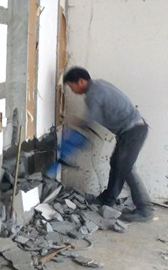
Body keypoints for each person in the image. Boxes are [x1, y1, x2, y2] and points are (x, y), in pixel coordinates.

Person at [61, 66, 154, 222]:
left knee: (126, 169)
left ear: (81, 81)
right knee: (117, 164)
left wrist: (74, 122)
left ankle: (145, 209)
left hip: (133, 132)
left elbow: (90, 120)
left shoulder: (93, 95)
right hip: (133, 129)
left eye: (72, 87)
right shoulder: (100, 84)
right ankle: (107, 199)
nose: (72, 91)